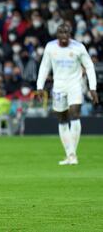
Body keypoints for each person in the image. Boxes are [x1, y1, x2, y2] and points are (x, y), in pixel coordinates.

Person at [37, 23, 99, 165]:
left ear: (70, 34)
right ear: (57, 34)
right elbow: (45, 66)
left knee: (75, 114)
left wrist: (92, 87)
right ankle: (70, 155)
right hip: (58, 86)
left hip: (74, 85)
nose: (63, 35)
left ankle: (72, 155)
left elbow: (89, 66)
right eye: (61, 32)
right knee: (62, 119)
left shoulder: (78, 47)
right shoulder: (50, 47)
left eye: (66, 32)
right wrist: (39, 86)